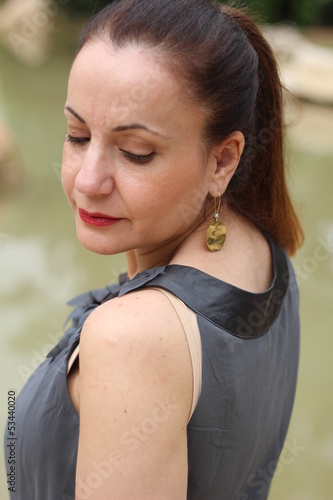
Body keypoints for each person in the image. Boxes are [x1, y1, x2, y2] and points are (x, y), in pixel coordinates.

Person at [4, 0, 304, 498]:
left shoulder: (133, 341)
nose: (88, 179)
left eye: (135, 152)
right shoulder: (266, 251)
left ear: (223, 161)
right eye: (77, 135)